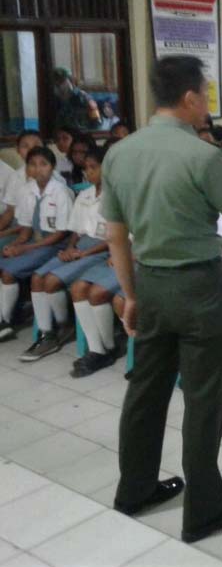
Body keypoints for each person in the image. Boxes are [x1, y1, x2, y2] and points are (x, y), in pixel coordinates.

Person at [103, 55, 222, 542]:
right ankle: (203, 511)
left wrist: (131, 295)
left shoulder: (120, 153)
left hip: (149, 282)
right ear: (189, 98)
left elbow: (116, 237)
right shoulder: (203, 156)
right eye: (205, 94)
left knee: (145, 390)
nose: (208, 103)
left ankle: (135, 489)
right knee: (203, 398)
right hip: (198, 288)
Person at [30, 148, 111, 371]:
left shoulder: (114, 196)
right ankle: (49, 333)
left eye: (94, 168)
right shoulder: (85, 195)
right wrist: (70, 247)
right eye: (86, 168)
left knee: (52, 281)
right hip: (80, 246)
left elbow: (113, 238)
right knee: (37, 277)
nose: (88, 173)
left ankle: (66, 327)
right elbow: (75, 229)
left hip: (100, 249)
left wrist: (83, 254)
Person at [0, 146, 73, 352]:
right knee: (4, 263)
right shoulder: (26, 191)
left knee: (14, 272)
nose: (38, 169)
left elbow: (60, 234)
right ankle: (6, 320)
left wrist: (26, 248)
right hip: (35, 241)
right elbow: (25, 229)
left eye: (43, 164)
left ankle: (8, 321)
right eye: (32, 164)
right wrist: (16, 245)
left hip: (55, 243)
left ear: (52, 167)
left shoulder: (61, 192)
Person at [52, 67, 100, 131]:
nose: (60, 86)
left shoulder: (83, 97)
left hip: (81, 134)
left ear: (71, 81)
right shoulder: (54, 101)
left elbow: (96, 122)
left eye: (62, 81)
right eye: (56, 83)